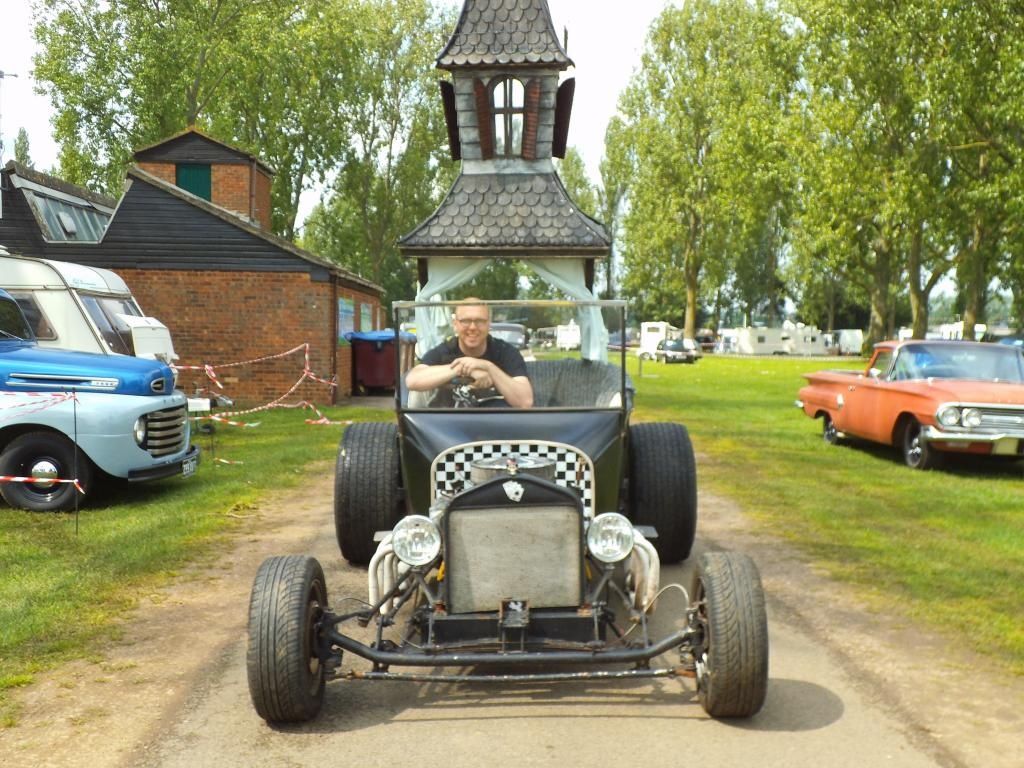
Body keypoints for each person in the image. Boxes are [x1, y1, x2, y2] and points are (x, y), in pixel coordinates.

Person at [406, 299, 533, 408]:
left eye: (479, 321)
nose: (472, 327)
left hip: (497, 426)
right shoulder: (445, 350)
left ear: (489, 324)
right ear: (455, 324)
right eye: (466, 321)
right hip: (449, 428)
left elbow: (525, 402)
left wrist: (488, 367)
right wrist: (464, 369)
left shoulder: (506, 352)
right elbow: (413, 380)